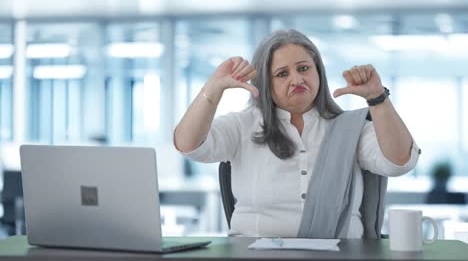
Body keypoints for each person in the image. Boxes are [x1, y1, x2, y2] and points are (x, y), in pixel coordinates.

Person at [174, 29, 420, 239]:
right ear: (265, 83)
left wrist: (377, 98)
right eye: (282, 73)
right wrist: (213, 89)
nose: (297, 79)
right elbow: (188, 145)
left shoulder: (349, 128)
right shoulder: (242, 125)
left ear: (318, 73)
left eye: (304, 68)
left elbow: (399, 163)